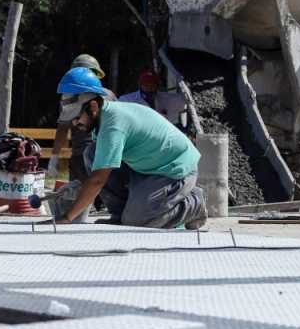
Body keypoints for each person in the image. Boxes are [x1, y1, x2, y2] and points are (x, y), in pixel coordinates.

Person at [53, 74, 207, 229]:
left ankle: (194, 203)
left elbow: (98, 180)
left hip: (173, 168)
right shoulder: (103, 119)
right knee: (93, 153)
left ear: (93, 106)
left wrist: (67, 218)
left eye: (77, 116)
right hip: (147, 166)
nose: (74, 123)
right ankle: (120, 215)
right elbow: (100, 171)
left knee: (139, 223)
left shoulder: (113, 125)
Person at [48, 54, 117, 185]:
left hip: (84, 155)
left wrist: (54, 157)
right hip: (104, 156)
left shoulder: (68, 97)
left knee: (78, 198)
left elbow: (63, 129)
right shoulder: (109, 95)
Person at [119, 68, 187, 127]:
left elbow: (184, 98)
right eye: (146, 85)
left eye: (152, 85)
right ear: (140, 85)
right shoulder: (127, 100)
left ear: (157, 86)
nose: (149, 87)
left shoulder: (165, 98)